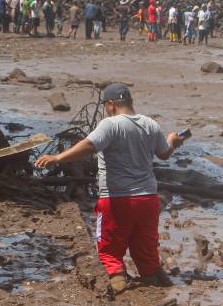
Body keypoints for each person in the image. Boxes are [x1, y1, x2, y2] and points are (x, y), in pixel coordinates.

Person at [34, 84, 185, 292]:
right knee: (145, 247)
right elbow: (164, 154)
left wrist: (57, 158)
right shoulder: (151, 124)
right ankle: (151, 278)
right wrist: (173, 141)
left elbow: (89, 145)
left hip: (116, 199)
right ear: (130, 102)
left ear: (111, 104)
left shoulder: (111, 125)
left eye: (106, 105)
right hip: (148, 199)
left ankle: (118, 282)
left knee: (108, 249)